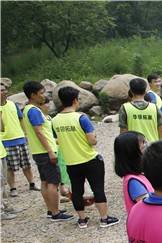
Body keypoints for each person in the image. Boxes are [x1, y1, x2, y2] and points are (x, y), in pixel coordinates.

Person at [53, 86, 119, 228]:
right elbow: (92, 141)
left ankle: (82, 220)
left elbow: (57, 140)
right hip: (89, 159)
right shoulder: (81, 118)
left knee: (77, 191)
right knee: (98, 189)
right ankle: (104, 218)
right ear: (75, 100)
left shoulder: (55, 120)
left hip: (71, 162)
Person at [21, 82, 73, 221]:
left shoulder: (27, 109)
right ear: (33, 95)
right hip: (45, 151)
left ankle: (51, 209)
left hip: (38, 151)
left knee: (45, 181)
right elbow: (39, 132)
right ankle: (56, 213)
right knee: (53, 182)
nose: (44, 96)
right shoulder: (34, 111)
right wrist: (50, 151)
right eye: (42, 93)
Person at [1, 83, 40, 196]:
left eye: (4, 89)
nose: (4, 92)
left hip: (20, 138)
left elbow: (20, 119)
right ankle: (13, 188)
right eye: (1, 90)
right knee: (10, 167)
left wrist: (25, 133)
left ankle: (32, 183)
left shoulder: (13, 104)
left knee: (27, 163)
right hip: (6, 141)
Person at [114, 131, 153, 214]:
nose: (147, 145)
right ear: (133, 153)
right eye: (143, 143)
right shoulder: (134, 182)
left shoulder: (139, 175)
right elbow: (149, 208)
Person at [119, 78, 162, 143]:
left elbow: (123, 132)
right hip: (152, 146)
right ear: (145, 91)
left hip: (134, 146)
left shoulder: (125, 108)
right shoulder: (154, 108)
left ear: (131, 91)